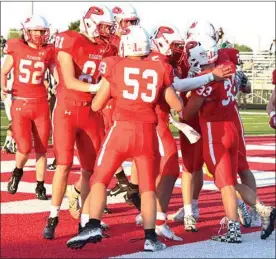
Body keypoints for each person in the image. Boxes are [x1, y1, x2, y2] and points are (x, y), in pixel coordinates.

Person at [66, 25, 183, 252]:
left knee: (99, 179)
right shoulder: (160, 68)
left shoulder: (115, 66)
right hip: (148, 132)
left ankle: (92, 224)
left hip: (121, 130)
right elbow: (177, 105)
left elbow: (97, 104)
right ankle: (150, 238)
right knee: (147, 189)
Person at [183, 34, 276, 243]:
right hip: (231, 127)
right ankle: (263, 208)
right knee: (231, 181)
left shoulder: (208, 77)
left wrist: (180, 107)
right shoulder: (228, 68)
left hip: (214, 131)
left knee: (225, 183)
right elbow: (243, 85)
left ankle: (233, 230)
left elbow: (188, 112)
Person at [42, 4, 117, 240]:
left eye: (109, 27)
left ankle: (85, 220)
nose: (106, 31)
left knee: (90, 170)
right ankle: (53, 215)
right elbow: (70, 81)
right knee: (63, 164)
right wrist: (99, 88)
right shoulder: (69, 40)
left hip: (91, 112)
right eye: (103, 26)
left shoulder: (109, 47)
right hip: (67, 109)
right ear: (91, 23)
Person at [1, 15, 55, 200]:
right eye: (35, 30)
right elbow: (4, 71)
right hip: (20, 102)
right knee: (24, 148)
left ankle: (40, 186)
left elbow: (56, 73)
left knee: (41, 149)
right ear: (27, 31)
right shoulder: (16, 46)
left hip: (40, 103)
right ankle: (17, 172)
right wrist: (4, 88)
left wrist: (57, 84)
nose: (39, 34)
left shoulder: (49, 51)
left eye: (42, 31)